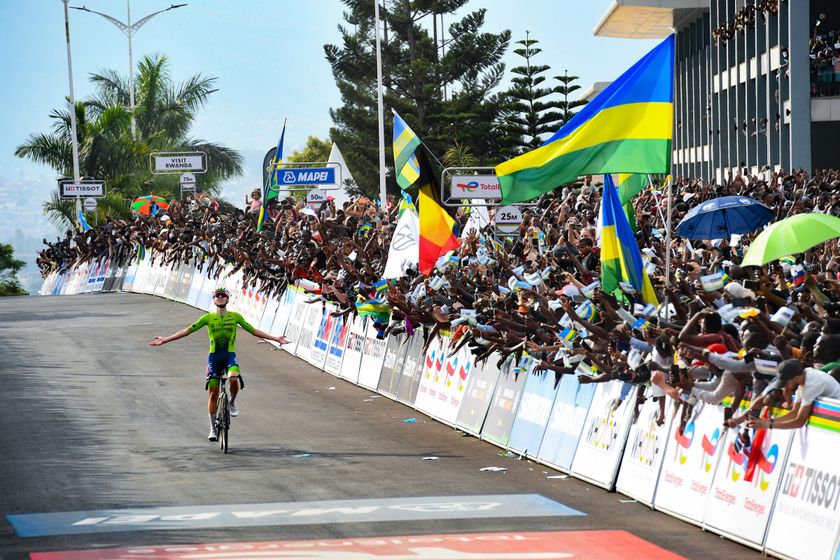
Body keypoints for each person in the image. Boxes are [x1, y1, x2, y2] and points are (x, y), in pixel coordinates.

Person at [149, 287, 290, 441]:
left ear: (228, 299)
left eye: (223, 296)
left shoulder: (236, 317)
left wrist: (276, 339)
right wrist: (166, 339)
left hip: (229, 355)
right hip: (214, 358)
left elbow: (253, 331)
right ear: (214, 299)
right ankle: (212, 429)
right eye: (218, 296)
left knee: (234, 379)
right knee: (213, 393)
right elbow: (187, 330)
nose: (221, 297)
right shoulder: (207, 318)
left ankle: (232, 402)